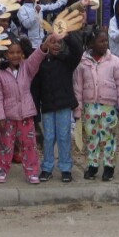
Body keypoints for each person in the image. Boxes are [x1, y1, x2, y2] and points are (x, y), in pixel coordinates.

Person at [73, 29, 119, 181]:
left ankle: (109, 166)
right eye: (101, 41)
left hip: (108, 107)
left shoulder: (114, 61)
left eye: (106, 41)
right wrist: (78, 109)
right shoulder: (82, 63)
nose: (105, 44)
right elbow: (78, 87)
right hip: (89, 107)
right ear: (91, 43)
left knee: (108, 137)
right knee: (92, 137)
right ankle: (93, 165)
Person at [0, 37, 46, 184]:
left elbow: (37, 57)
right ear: (6, 54)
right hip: (8, 117)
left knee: (29, 145)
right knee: (5, 145)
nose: (15, 55)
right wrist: (0, 117)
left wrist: (44, 46)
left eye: (18, 52)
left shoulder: (27, 68)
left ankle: (32, 172)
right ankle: (1, 169)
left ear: (22, 53)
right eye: (11, 52)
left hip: (26, 115)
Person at [32, 31, 81, 182]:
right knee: (48, 137)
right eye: (52, 42)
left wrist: (66, 35)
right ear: (46, 44)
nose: (56, 45)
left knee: (64, 136)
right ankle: (47, 168)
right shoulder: (40, 64)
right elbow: (36, 88)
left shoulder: (66, 60)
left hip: (64, 106)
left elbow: (78, 51)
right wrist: (36, 112)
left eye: (58, 42)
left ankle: (66, 168)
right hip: (46, 106)